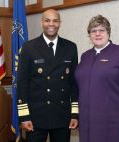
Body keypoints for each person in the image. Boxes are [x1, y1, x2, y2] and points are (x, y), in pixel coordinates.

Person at [75, 14, 119, 142]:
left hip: (112, 123)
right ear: (89, 35)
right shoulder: (85, 56)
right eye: (93, 31)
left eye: (101, 30)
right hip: (87, 121)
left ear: (108, 32)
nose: (97, 34)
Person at [17, 9, 78, 142]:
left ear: (60, 23)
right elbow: (22, 84)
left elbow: (73, 83)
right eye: (47, 20)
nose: (51, 24)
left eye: (55, 21)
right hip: (36, 117)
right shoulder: (29, 47)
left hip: (62, 115)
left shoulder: (71, 47)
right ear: (41, 23)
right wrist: (24, 116)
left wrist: (74, 114)